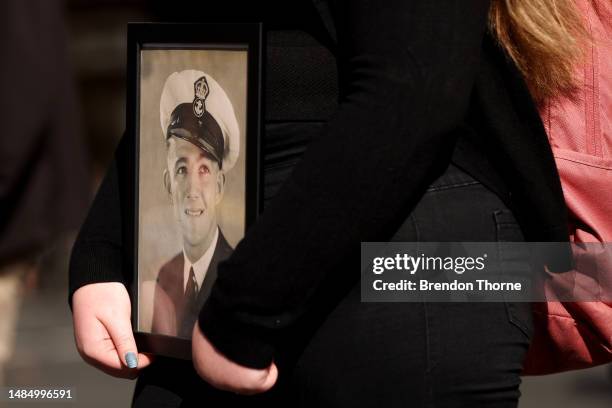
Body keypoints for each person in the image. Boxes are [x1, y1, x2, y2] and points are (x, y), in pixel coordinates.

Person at [70, 0, 586, 406]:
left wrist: (246, 311)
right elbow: (191, 33)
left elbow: (415, 83)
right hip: (232, 286)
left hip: (400, 236)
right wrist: (108, 242)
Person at [150, 70, 238, 339]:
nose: (192, 190)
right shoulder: (165, 277)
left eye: (204, 170)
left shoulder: (237, 275)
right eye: (181, 169)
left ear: (220, 186)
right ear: (168, 185)